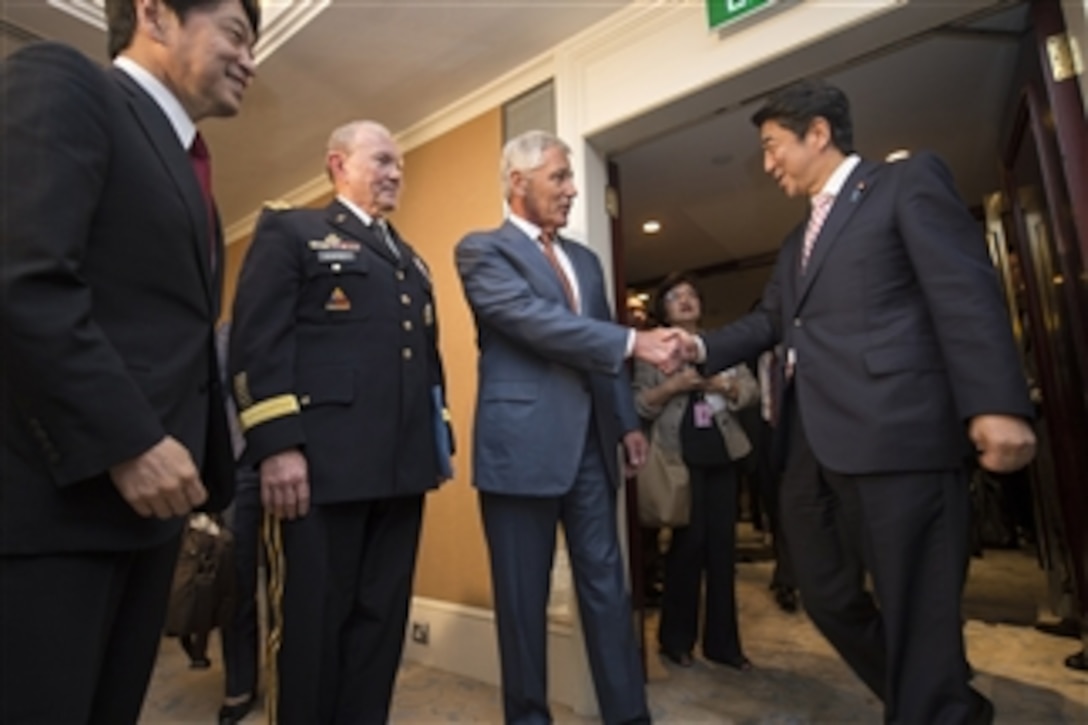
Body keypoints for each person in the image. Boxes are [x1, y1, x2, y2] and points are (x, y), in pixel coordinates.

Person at [676, 79, 1036, 724]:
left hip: (901, 430)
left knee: (916, 606)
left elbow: (963, 288)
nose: (767, 164)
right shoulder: (795, 245)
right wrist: (692, 349)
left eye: (772, 146)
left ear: (818, 133)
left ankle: (935, 708)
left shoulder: (904, 184)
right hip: (814, 443)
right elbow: (767, 322)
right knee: (824, 590)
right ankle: (939, 696)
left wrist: (996, 401)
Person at [0, 0, 259, 720]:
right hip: (62, 506)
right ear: (154, 12)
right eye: (236, 34)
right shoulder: (67, 83)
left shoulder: (198, 189)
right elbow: (25, 282)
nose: (250, 59)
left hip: (152, 515)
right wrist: (129, 441)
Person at [229, 120, 454, 723]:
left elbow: (429, 364)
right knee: (309, 632)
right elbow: (256, 345)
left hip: (402, 472)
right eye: (381, 160)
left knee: (379, 630)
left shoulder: (410, 261)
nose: (395, 172)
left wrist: (439, 444)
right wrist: (277, 445)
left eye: (400, 164)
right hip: (318, 473)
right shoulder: (294, 230)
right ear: (338, 164)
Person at [455, 130, 679, 725]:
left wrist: (626, 422)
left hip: (591, 450)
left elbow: (595, 350)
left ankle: (628, 716)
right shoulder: (481, 251)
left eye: (570, 177)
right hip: (519, 450)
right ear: (517, 183)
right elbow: (535, 322)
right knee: (522, 604)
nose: (572, 189)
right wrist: (636, 340)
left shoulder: (584, 259)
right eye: (558, 177)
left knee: (608, 593)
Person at [633, 273, 760, 670]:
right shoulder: (652, 350)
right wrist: (675, 386)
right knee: (687, 550)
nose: (685, 301)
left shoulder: (721, 344)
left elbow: (751, 391)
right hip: (677, 459)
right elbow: (638, 404)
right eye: (675, 297)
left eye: (691, 295)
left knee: (723, 553)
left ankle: (724, 646)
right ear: (663, 308)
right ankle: (676, 641)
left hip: (722, 455)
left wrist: (722, 386)